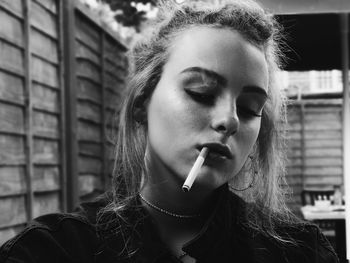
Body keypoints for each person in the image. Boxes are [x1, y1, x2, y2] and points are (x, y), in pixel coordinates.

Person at [0, 0, 339, 262]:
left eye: (250, 108)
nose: (230, 120)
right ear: (142, 102)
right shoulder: (52, 250)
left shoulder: (299, 252)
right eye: (201, 93)